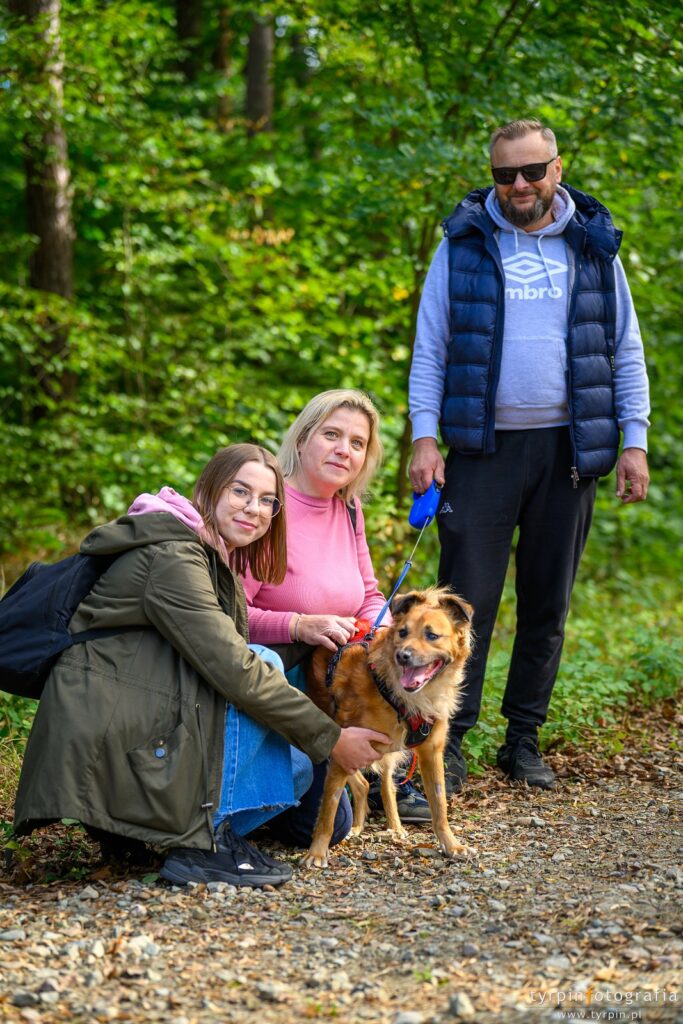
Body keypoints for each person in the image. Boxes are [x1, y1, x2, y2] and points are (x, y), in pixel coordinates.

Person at [13, 444, 388, 887]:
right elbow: (233, 667)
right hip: (110, 732)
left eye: (267, 500)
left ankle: (151, 832)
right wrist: (331, 738)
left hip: (139, 713)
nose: (254, 509)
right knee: (261, 662)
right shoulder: (172, 555)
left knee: (299, 769)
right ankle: (205, 842)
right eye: (240, 492)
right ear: (209, 489)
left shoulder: (207, 551)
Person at [408, 119, 650, 793]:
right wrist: (424, 436)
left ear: (556, 169)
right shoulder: (462, 244)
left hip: (568, 450)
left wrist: (633, 440)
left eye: (531, 171)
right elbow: (431, 346)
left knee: (546, 603)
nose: (518, 184)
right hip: (479, 450)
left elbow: (624, 348)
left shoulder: (593, 246)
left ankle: (522, 739)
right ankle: (448, 739)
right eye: (504, 174)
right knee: (462, 606)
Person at [242, 389, 431, 825]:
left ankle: (385, 776)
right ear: (302, 438)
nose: (344, 450)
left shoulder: (348, 508)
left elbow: (370, 594)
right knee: (328, 822)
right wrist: (298, 625)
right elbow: (230, 616)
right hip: (279, 685)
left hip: (338, 681)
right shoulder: (265, 505)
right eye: (331, 435)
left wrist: (386, 632)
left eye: (357, 443)